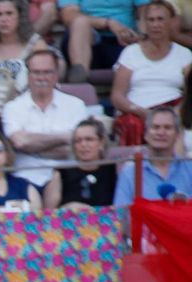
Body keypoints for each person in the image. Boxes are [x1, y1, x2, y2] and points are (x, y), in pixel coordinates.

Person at [4, 48, 88, 188]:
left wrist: (33, 148)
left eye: (47, 72)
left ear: (56, 75)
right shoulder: (13, 107)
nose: (41, 77)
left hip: (68, 178)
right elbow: (20, 142)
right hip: (26, 180)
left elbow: (75, 148)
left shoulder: (76, 105)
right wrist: (64, 137)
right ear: (28, 75)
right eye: (36, 72)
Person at [111, 0, 191, 145]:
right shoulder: (130, 53)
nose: (155, 24)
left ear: (170, 22)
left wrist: (175, 113)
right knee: (132, 124)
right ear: (145, 24)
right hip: (137, 111)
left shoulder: (185, 55)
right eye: (151, 20)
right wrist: (142, 112)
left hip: (174, 110)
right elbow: (117, 96)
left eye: (160, 19)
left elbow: (190, 93)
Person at [0, 0, 48, 115]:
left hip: (27, 110)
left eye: (9, 13)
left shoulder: (36, 46)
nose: (3, 19)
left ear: (20, 16)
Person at [113, 105, 192, 202]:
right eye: (155, 127)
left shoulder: (189, 168)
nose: (161, 132)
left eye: (167, 128)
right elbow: (121, 214)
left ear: (177, 135)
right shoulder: (130, 173)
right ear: (145, 134)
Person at [58, 0, 142, 80]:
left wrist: (137, 36)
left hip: (123, 40)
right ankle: (80, 77)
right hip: (86, 42)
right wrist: (108, 23)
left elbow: (146, 12)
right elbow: (69, 15)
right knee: (80, 22)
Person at [43, 117, 116, 206]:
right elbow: (49, 213)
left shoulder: (113, 170)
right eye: (78, 141)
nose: (83, 144)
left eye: (89, 139)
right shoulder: (61, 172)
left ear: (101, 143)